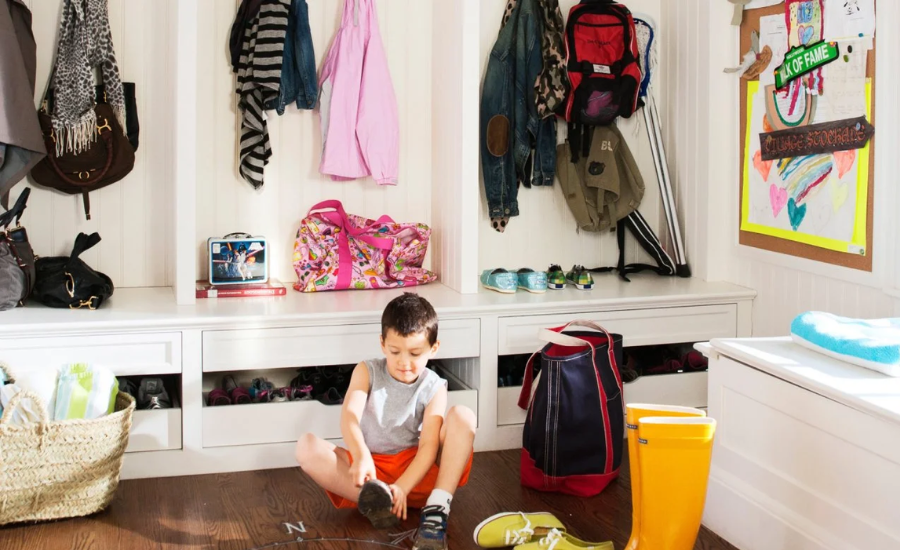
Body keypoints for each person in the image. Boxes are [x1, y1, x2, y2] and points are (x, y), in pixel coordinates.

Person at [296, 292, 476, 550]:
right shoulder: (366, 370)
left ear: (433, 348)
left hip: (417, 475)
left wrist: (402, 486)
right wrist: (360, 455)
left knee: (463, 416)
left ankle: (436, 509)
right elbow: (349, 416)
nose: (404, 362)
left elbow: (428, 448)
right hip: (371, 475)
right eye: (395, 351)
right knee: (306, 446)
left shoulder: (434, 386)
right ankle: (381, 503)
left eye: (415, 353)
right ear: (382, 344)